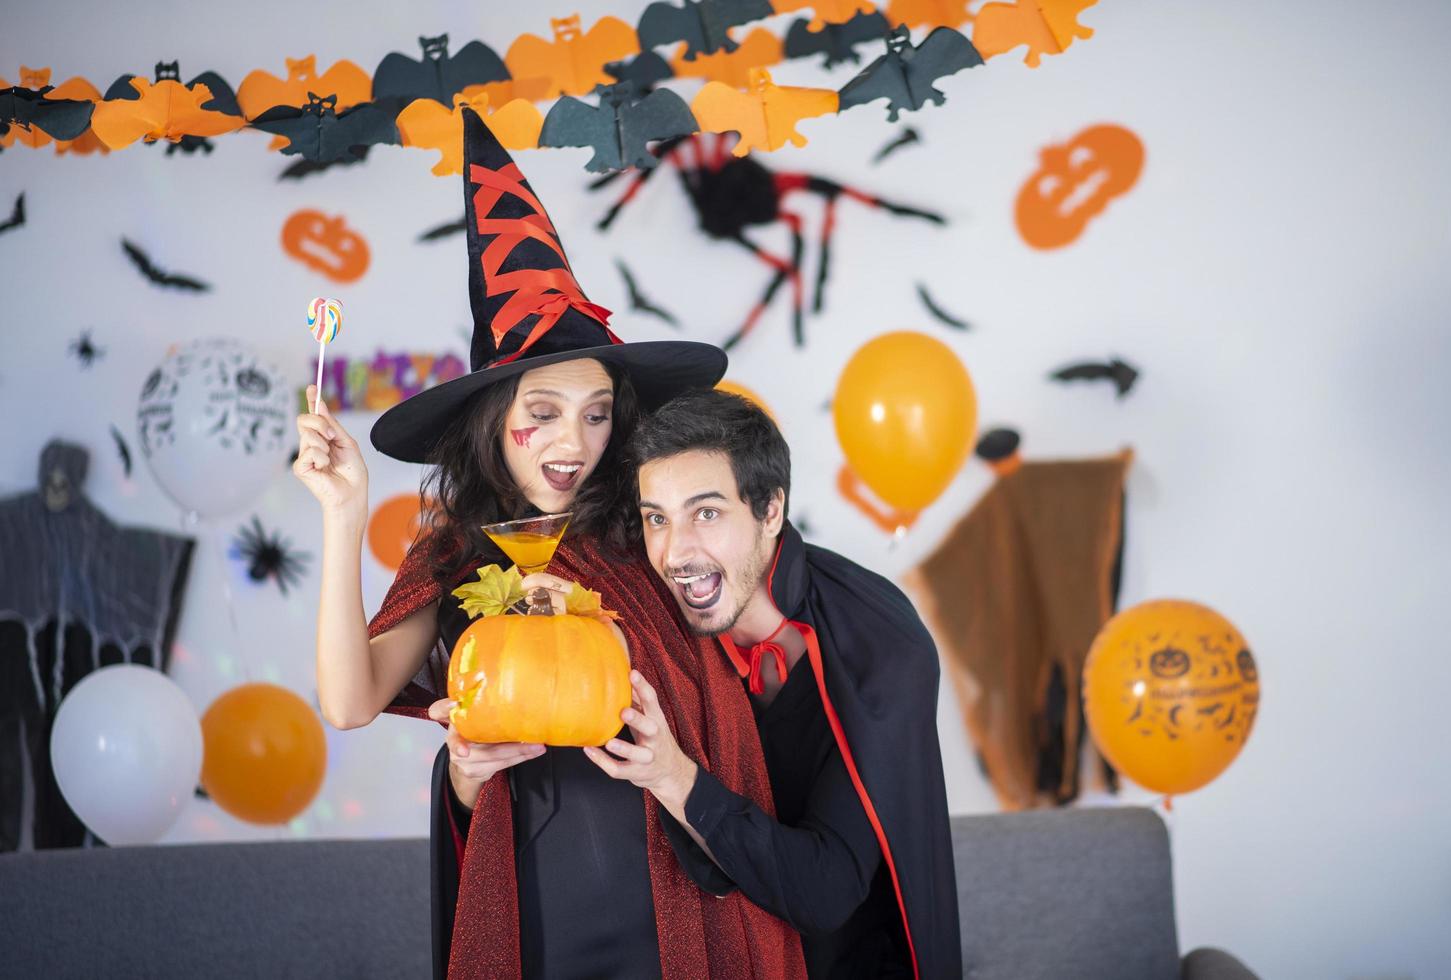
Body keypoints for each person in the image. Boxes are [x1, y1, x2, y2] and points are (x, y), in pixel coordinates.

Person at [293, 109, 804, 980]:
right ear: (495, 424)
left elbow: (757, 662)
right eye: (544, 414)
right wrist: (345, 514)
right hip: (540, 890)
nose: (576, 441)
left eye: (598, 413)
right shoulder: (458, 555)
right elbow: (348, 701)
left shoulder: (651, 533)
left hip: (681, 892)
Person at [582, 388, 961, 978]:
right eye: (657, 517)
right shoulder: (654, 625)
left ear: (771, 511)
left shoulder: (881, 643)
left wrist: (673, 776)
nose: (677, 551)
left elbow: (826, 891)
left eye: (706, 513)